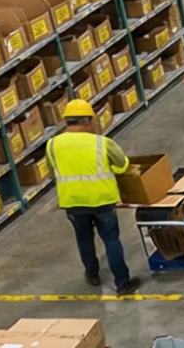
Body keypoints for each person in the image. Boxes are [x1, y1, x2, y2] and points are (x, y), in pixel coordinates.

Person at [49, 99, 141, 295]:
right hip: (102, 201)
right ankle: (122, 284)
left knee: (84, 239)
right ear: (87, 121)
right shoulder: (101, 142)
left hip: (72, 202)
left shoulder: (52, 145)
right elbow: (123, 165)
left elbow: (52, 173)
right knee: (111, 241)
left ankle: (92, 274)